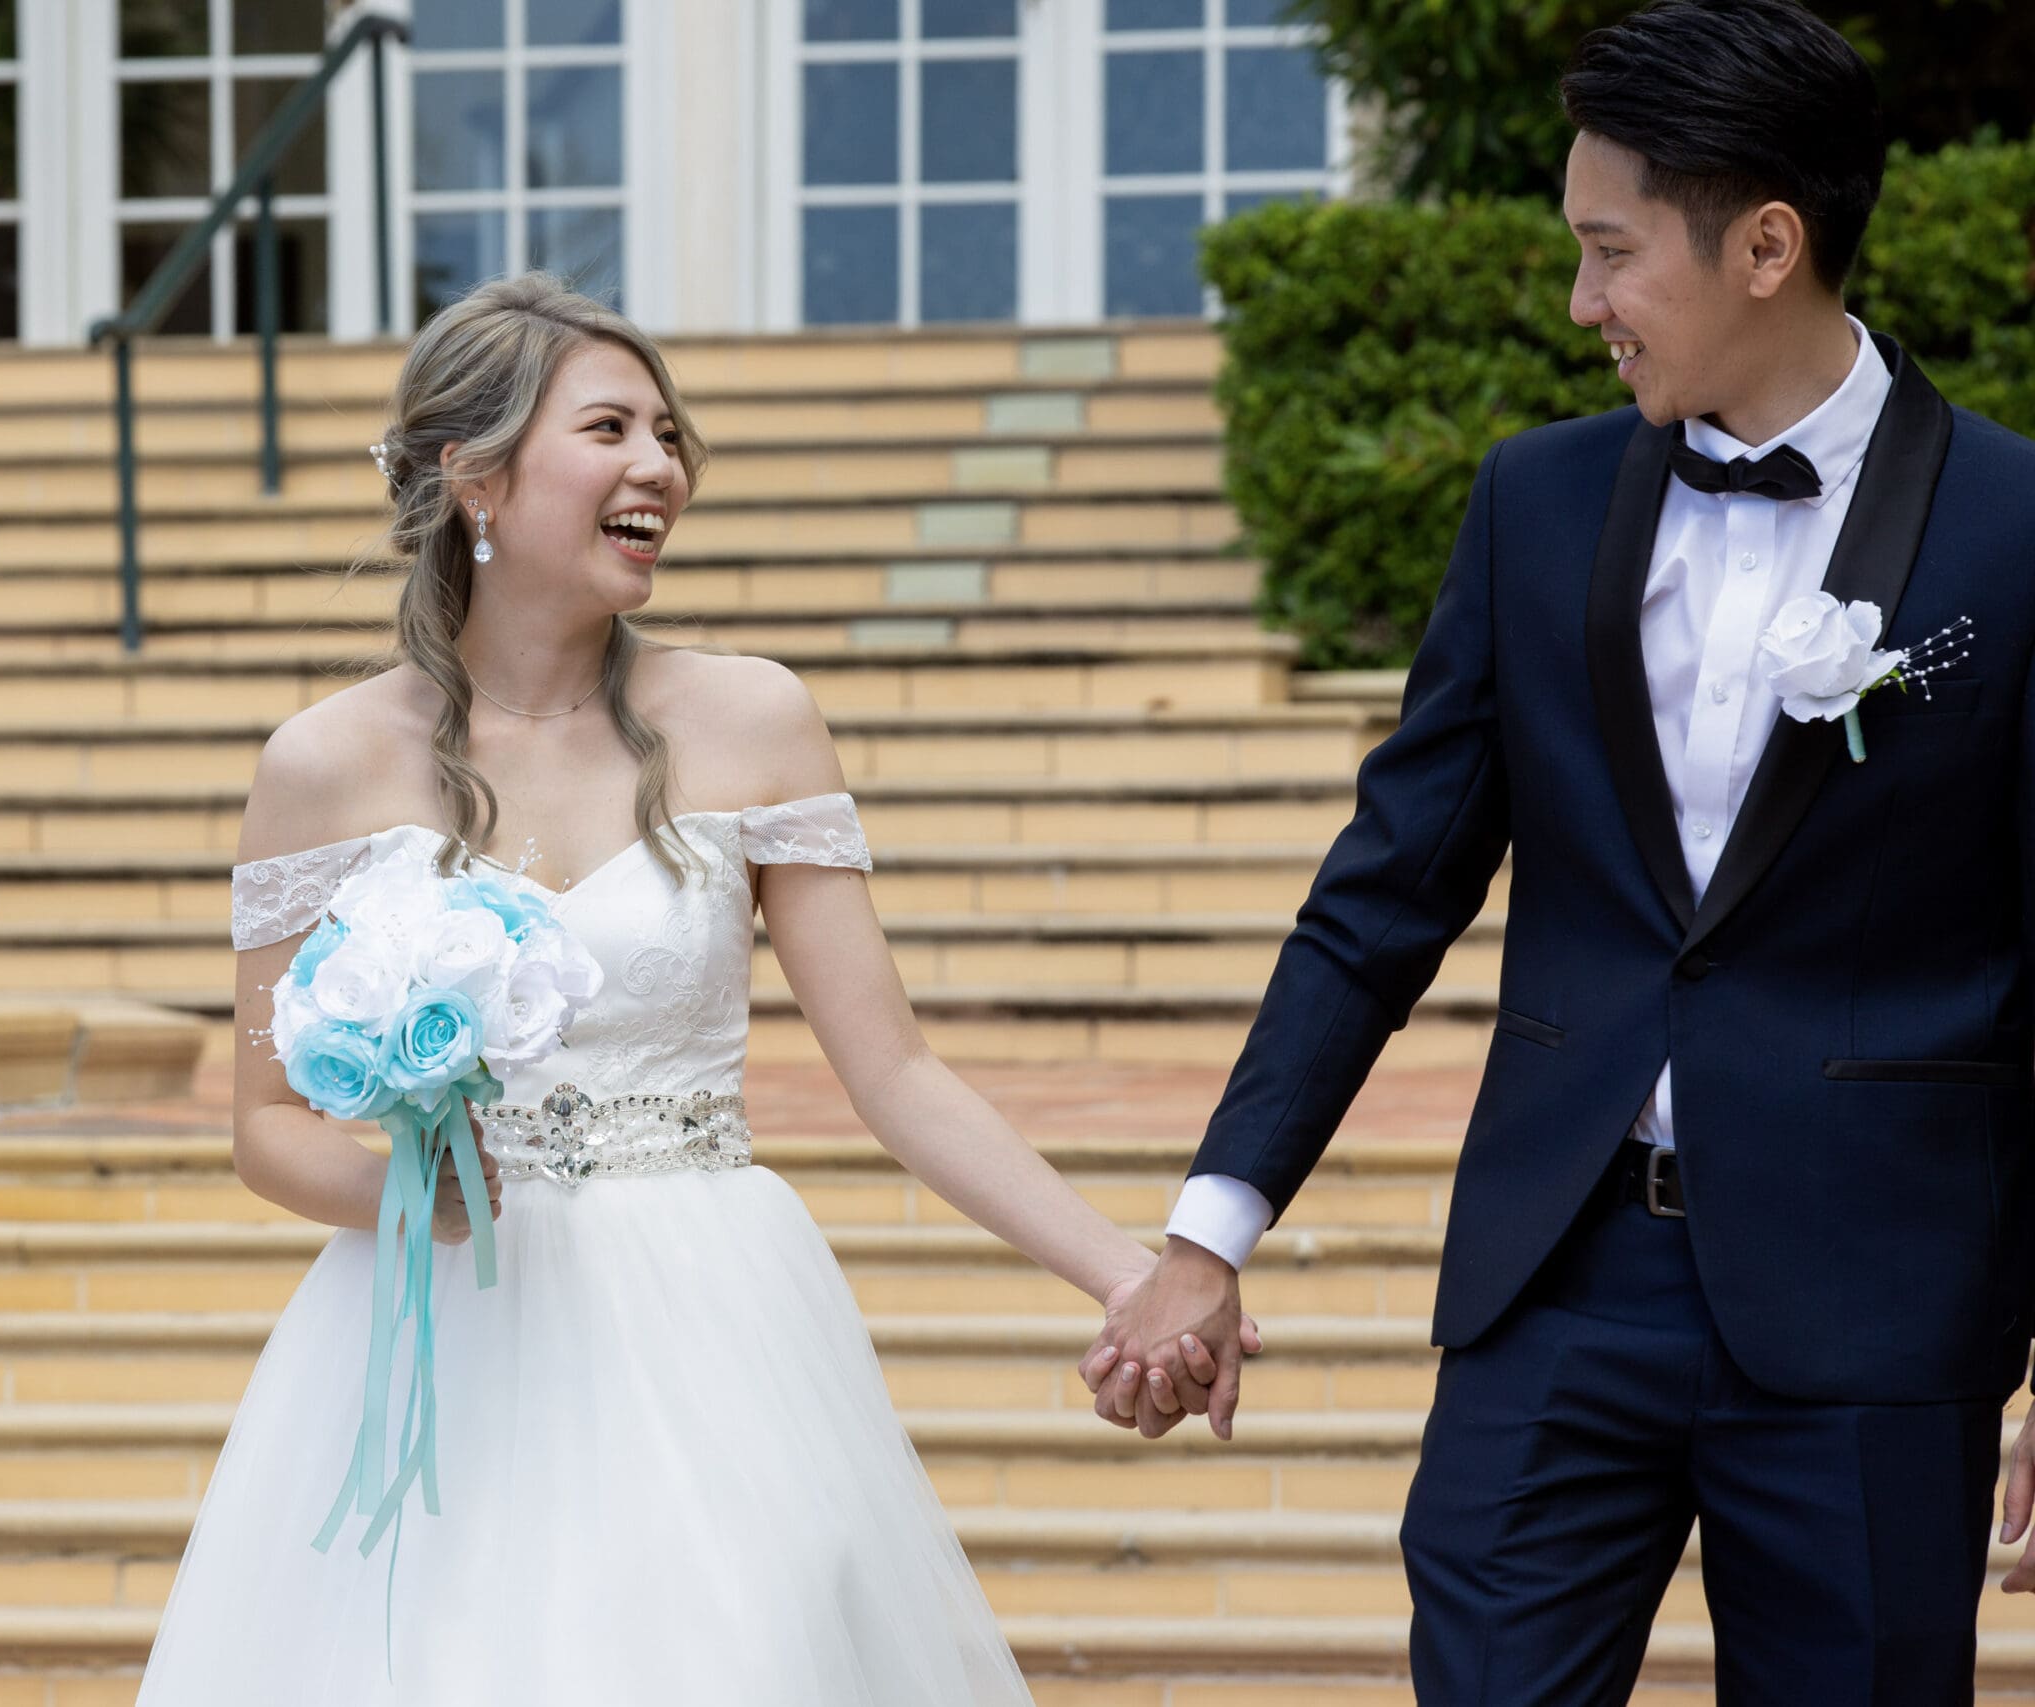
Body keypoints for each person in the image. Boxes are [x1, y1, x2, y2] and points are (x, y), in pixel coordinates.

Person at [1080, 2, 2035, 1701]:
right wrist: (1208, 1233)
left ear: (1767, 246)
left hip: (1878, 1307)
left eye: (1611, 252)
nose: (1582, 302)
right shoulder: (1533, 502)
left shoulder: (2015, 531)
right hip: (1559, 1284)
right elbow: (1383, 897)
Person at [135, 271, 1253, 1704]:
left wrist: (1128, 1273)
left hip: (709, 1322)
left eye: (667, 435)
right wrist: (413, 1195)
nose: (658, 466)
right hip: (437, 1333)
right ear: (474, 477)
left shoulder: (753, 717)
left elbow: (897, 1074)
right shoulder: (322, 763)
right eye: (609, 429)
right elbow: (267, 1122)